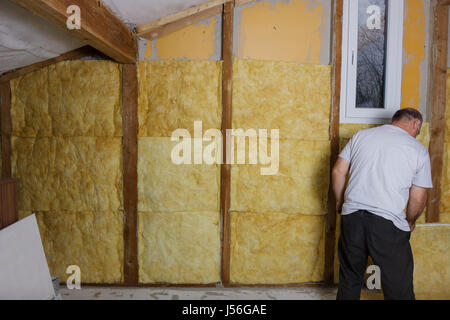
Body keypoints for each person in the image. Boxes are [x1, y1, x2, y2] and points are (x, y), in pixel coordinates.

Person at [332, 108, 433, 300]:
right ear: (415, 124)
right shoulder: (418, 150)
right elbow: (418, 198)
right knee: (398, 287)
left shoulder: (361, 136)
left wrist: (340, 202)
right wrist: (410, 221)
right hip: (386, 223)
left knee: (349, 279)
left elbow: (338, 171)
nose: (417, 134)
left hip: (352, 217)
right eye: (418, 130)